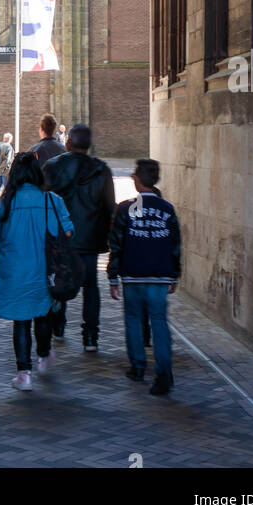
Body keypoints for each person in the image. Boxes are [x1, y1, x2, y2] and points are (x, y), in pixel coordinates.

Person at [0, 152, 73, 391]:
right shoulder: (52, 200)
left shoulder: (5, 203)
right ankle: (43, 356)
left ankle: (24, 373)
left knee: (21, 321)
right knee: (42, 313)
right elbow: (68, 232)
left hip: (14, 270)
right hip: (45, 270)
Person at [107, 157, 181, 395]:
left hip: (133, 275)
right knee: (159, 322)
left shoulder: (125, 208)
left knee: (133, 320)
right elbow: (175, 244)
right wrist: (174, 274)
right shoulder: (168, 210)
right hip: (159, 276)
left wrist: (112, 276)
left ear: (137, 181)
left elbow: (116, 243)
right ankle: (163, 372)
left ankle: (137, 366)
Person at [43, 123, 116, 352]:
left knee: (59, 278)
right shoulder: (101, 169)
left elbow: (44, 201)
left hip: (61, 238)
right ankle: (91, 336)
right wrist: (107, 238)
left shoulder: (52, 167)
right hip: (90, 239)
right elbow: (108, 207)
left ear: (68, 142)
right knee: (91, 286)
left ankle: (59, 325)